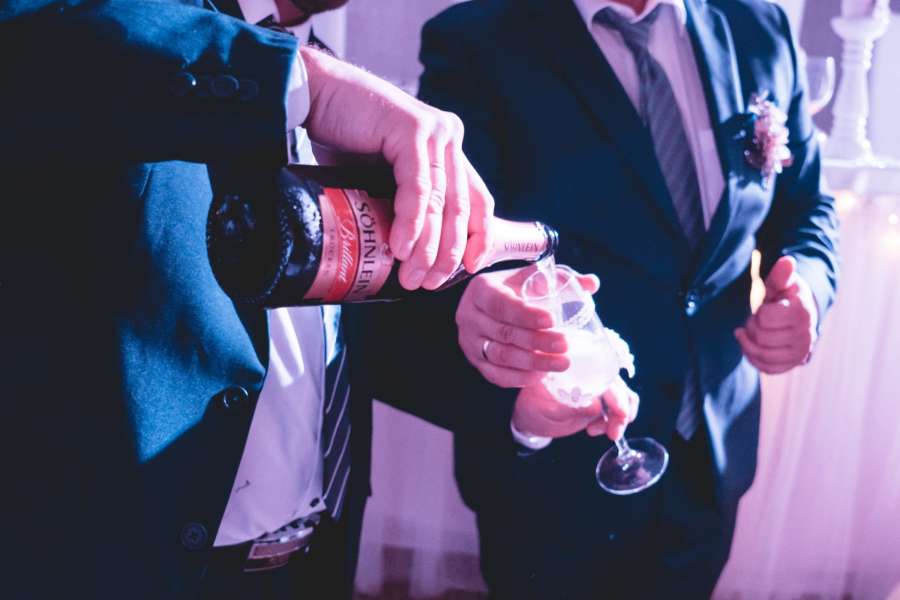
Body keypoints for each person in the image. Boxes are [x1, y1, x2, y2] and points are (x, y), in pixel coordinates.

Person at [0, 0, 589, 597]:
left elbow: (340, 343)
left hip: (311, 564)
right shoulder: (175, 37)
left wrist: (501, 365)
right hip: (116, 567)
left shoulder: (335, 70)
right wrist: (307, 85)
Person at [414, 0, 840, 597]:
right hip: (555, 471)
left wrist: (808, 293)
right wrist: (527, 396)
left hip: (709, 451)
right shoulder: (476, 40)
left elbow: (805, 206)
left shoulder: (758, 25)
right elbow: (449, 256)